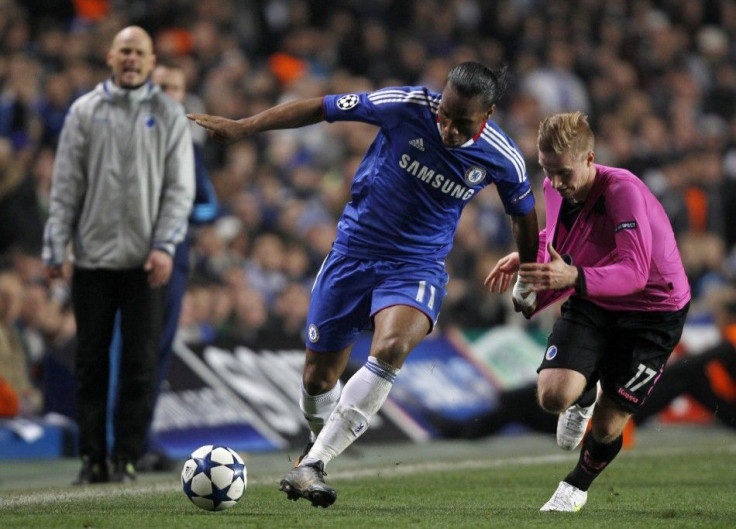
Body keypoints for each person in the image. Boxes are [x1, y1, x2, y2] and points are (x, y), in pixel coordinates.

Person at [190, 61, 539, 507]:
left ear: (486, 116)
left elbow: (523, 215)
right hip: (352, 254)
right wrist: (244, 127)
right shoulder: (407, 104)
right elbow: (321, 107)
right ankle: (315, 455)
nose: (448, 128)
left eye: (462, 123)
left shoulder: (501, 155)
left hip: (417, 266)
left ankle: (311, 465)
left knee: (390, 348)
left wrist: (529, 274)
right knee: (318, 379)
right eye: (445, 115)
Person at [486, 111, 691, 512]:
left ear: (590, 158)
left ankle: (575, 486)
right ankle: (581, 396)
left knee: (609, 423)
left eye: (563, 173)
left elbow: (634, 272)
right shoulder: (553, 186)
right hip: (594, 295)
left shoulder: (623, 191)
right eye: (547, 171)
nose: (556, 184)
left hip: (653, 310)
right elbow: (564, 235)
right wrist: (529, 253)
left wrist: (573, 276)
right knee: (552, 396)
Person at [42, 26, 195, 485]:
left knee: (140, 365)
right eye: (124, 51)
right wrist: (56, 244)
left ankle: (126, 458)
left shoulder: (168, 114)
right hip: (91, 261)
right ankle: (92, 460)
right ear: (111, 56)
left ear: (151, 62)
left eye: (140, 53)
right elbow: (65, 184)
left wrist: (165, 245)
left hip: (146, 264)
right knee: (90, 364)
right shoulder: (84, 112)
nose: (131, 59)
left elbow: (179, 190)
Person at [134, 62, 219, 472]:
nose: (168, 93)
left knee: (157, 348)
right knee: (127, 347)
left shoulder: (190, 143)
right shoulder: (130, 136)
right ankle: (118, 440)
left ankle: (141, 438)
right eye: (161, 86)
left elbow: (209, 204)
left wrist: (174, 212)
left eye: (175, 87)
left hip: (174, 257)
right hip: (128, 253)